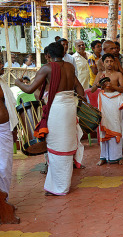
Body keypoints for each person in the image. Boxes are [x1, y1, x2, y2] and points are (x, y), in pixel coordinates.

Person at [15, 42, 84, 195]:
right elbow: (80, 90)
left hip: (57, 109)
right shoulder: (70, 67)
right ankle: (60, 184)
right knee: (65, 145)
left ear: (47, 56)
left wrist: (18, 83)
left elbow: (29, 89)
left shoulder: (47, 68)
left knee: (56, 146)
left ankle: (60, 187)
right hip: (69, 107)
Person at [91, 54, 123, 165]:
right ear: (103, 63)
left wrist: (113, 87)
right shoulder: (100, 74)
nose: (109, 64)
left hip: (115, 101)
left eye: (111, 61)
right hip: (104, 101)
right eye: (107, 61)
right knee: (104, 127)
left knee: (117, 125)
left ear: (114, 62)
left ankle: (118, 156)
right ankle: (103, 156)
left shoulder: (118, 74)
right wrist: (99, 83)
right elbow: (93, 89)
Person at [0, 59, 18, 197]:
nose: (2, 66)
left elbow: (11, 106)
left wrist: (14, 128)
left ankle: (3, 199)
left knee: (5, 166)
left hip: (5, 128)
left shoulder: (3, 83)